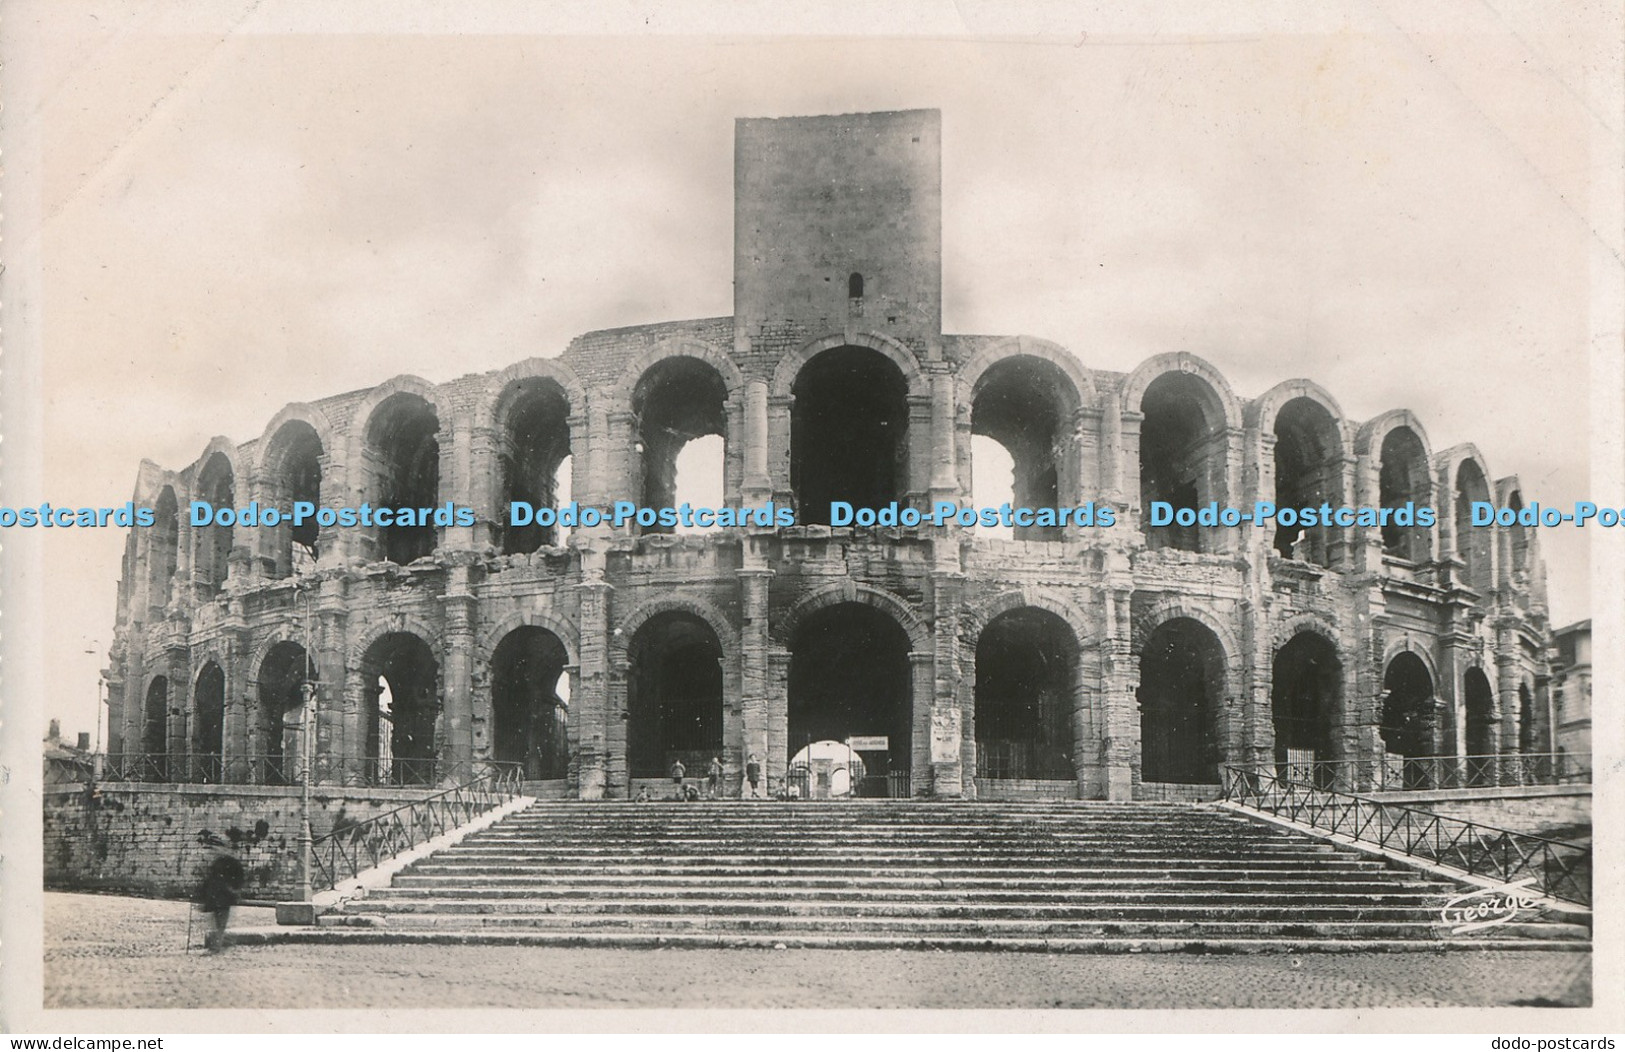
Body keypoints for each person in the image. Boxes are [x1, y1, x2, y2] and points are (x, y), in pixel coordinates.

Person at [192, 831, 244, 953]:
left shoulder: (231, 863)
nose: (215, 851)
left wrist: (234, 890)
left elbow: (238, 878)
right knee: (215, 924)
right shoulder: (217, 863)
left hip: (225, 898)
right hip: (215, 898)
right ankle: (219, 945)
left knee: (220, 925)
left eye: (217, 848)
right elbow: (209, 882)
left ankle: (216, 947)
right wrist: (200, 896)